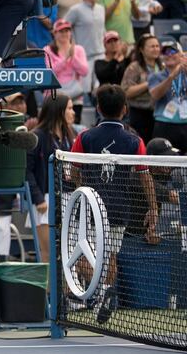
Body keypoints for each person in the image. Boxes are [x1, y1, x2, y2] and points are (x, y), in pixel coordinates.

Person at [70, 83, 157, 324]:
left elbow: (73, 170)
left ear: (97, 108)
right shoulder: (134, 141)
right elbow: (144, 175)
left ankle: (98, 294)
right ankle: (104, 294)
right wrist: (154, 208)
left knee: (84, 257)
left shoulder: (84, 137)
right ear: (125, 109)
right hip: (119, 208)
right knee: (110, 256)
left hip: (89, 207)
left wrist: (82, 190)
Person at [25, 96, 76, 262]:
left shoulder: (70, 135)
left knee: (69, 254)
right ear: (58, 111)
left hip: (68, 199)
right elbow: (26, 170)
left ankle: (66, 289)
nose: (73, 112)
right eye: (69, 108)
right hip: (45, 202)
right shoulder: (37, 136)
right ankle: (48, 289)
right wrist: (38, 198)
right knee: (48, 254)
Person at [45, 19, 88, 123]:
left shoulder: (79, 49)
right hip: (55, 96)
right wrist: (66, 59)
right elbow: (50, 73)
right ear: (54, 33)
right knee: (54, 125)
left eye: (67, 30)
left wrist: (73, 57)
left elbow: (84, 71)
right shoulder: (47, 50)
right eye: (61, 31)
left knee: (74, 126)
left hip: (75, 97)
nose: (65, 33)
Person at [120, 34, 161, 143]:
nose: (156, 49)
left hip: (159, 113)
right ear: (142, 50)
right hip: (139, 114)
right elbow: (126, 91)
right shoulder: (134, 67)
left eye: (157, 46)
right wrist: (149, 83)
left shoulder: (163, 67)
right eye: (152, 46)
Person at [148, 44, 187, 152]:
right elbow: (155, 95)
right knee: (164, 162)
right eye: (165, 52)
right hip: (164, 124)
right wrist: (171, 77)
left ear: (181, 55)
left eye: (172, 52)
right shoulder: (156, 76)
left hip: (185, 123)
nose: (169, 55)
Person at [64, 0, 105, 69]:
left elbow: (103, 30)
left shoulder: (101, 9)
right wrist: (71, 46)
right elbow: (64, 28)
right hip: (84, 56)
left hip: (101, 55)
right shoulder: (75, 10)